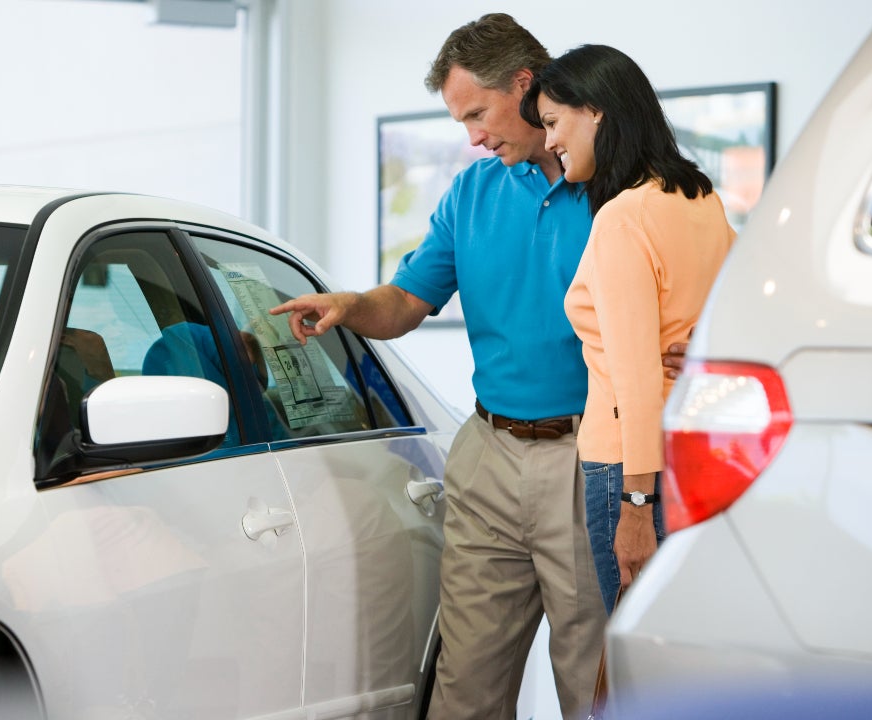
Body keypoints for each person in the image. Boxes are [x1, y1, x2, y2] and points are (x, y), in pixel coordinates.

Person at [272, 14, 625, 720]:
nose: (473, 136)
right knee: (465, 685)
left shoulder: (619, 194)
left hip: (588, 457)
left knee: (591, 681)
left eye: (477, 113)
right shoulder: (471, 195)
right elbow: (404, 301)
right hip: (489, 453)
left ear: (525, 86)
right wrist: (351, 303)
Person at [520, 44, 737, 614]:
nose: (549, 142)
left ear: (595, 110)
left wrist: (635, 506)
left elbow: (636, 380)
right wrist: (710, 349)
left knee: (642, 668)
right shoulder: (700, 198)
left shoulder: (622, 218)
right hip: (701, 451)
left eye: (552, 123)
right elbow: (743, 303)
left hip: (632, 467)